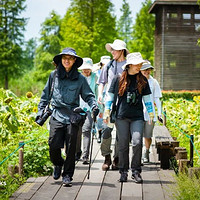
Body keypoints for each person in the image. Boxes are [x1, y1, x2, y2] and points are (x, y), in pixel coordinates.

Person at [36, 48, 99, 187]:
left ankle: (67, 175)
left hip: (73, 116)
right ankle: (58, 164)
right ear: (61, 59)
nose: (67, 60)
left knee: (71, 148)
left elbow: (88, 95)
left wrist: (94, 106)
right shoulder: (53, 75)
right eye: (64, 57)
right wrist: (40, 112)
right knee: (53, 144)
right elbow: (45, 96)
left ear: (74, 61)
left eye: (70, 58)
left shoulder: (80, 79)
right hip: (57, 114)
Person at [104, 52, 154, 183]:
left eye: (140, 64)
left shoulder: (143, 80)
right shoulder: (118, 78)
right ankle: (123, 171)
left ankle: (136, 171)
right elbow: (109, 96)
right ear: (130, 65)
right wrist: (107, 111)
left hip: (137, 117)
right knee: (123, 144)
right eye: (138, 64)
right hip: (122, 117)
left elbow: (148, 99)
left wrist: (151, 114)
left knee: (137, 142)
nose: (140, 66)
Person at [97, 39, 129, 171]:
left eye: (114, 50)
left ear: (121, 51)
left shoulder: (129, 66)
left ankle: (117, 158)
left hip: (123, 105)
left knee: (121, 134)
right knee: (106, 130)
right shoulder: (108, 66)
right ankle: (106, 157)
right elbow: (101, 82)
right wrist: (100, 94)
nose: (112, 52)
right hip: (109, 105)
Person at [76, 58, 99, 164]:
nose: (86, 71)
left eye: (88, 69)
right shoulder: (77, 77)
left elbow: (97, 94)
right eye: (84, 69)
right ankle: (77, 152)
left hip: (89, 108)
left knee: (86, 130)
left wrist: (98, 109)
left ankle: (85, 155)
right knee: (76, 131)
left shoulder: (95, 78)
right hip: (77, 107)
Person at [140, 62, 162, 163]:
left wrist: (159, 113)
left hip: (150, 114)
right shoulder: (136, 81)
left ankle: (146, 151)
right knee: (137, 136)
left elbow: (157, 99)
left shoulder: (154, 82)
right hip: (138, 113)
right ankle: (139, 155)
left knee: (148, 135)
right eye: (145, 69)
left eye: (148, 69)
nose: (147, 71)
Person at [93, 56, 111, 143]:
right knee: (100, 116)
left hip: (109, 95)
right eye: (104, 64)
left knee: (107, 115)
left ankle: (105, 134)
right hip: (99, 95)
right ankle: (99, 132)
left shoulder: (111, 72)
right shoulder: (97, 73)